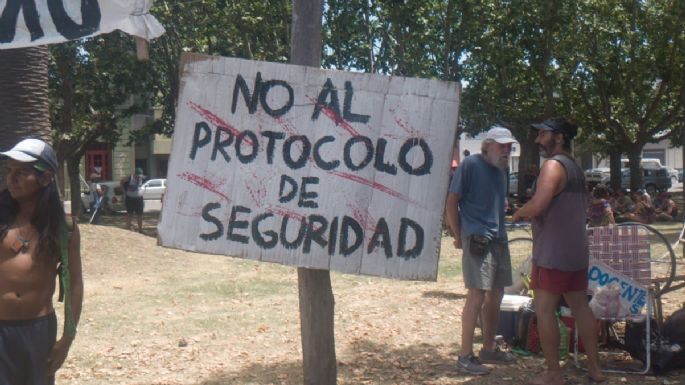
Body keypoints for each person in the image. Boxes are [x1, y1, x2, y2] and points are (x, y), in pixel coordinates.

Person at [513, 118, 604, 385]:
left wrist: (520, 212)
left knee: (544, 310)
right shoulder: (575, 167)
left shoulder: (552, 166)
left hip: (552, 252)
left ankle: (553, 373)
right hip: (576, 251)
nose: (538, 140)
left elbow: (539, 203)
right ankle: (595, 370)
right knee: (580, 307)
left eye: (543, 134)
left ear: (560, 137)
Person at [0, 138, 83, 383]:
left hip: (39, 332)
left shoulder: (63, 227)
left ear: (46, 178)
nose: (11, 178)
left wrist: (67, 339)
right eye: (9, 171)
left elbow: (75, 283)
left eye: (22, 172)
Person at [445, 126, 517, 375]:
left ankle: (488, 348)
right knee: (476, 295)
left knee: (496, 293)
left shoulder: (503, 169)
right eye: (501, 146)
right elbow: (451, 202)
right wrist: (457, 235)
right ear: (487, 146)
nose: (506, 150)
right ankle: (465, 356)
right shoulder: (471, 164)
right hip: (477, 238)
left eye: (509, 146)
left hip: (499, 238)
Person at [121, 168, 145, 232]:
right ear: (135, 174)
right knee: (129, 213)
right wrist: (124, 192)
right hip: (130, 198)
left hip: (139, 199)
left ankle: (140, 229)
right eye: (138, 175)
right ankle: (128, 228)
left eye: (140, 176)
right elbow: (121, 181)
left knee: (140, 214)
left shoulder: (141, 178)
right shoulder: (129, 178)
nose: (139, 177)